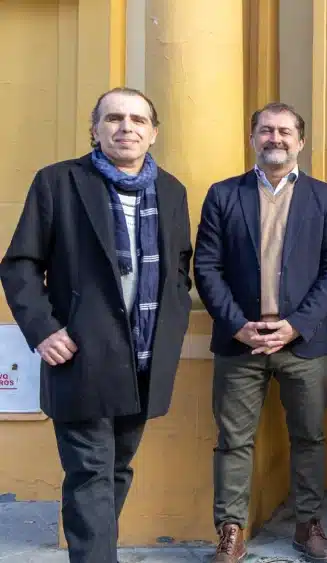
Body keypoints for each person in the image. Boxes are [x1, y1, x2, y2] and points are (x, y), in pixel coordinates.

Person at [0, 87, 193, 563]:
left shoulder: (171, 190)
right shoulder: (58, 182)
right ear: (95, 129)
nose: (126, 128)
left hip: (144, 358)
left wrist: (172, 321)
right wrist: (44, 330)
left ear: (153, 133)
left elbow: (178, 266)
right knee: (90, 472)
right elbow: (20, 265)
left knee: (118, 468)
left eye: (137, 120)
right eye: (114, 118)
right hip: (80, 355)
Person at [194, 102, 327, 563]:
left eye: (284, 131)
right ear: (252, 138)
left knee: (309, 437)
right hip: (239, 341)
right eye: (266, 130)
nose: (275, 138)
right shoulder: (224, 195)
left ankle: (308, 524)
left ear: (301, 141)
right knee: (233, 441)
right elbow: (206, 267)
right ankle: (231, 529)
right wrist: (237, 325)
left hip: (302, 342)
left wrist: (296, 325)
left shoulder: (326, 198)